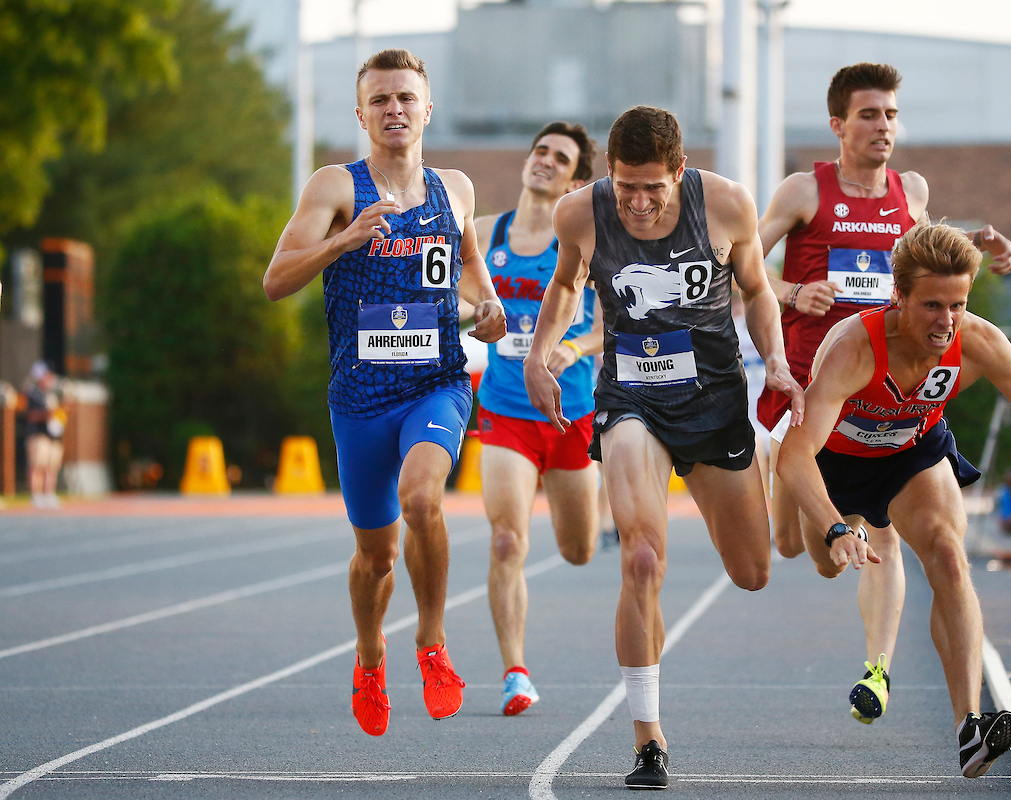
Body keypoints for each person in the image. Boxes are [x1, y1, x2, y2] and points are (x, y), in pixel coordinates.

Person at [524, 105, 803, 789]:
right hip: (631, 399)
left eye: (654, 187)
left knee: (752, 572)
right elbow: (564, 285)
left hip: (713, 405)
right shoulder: (580, 214)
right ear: (610, 176)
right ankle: (649, 739)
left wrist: (776, 361)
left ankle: (765, 462)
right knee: (643, 557)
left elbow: (759, 293)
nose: (641, 204)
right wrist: (540, 353)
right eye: (627, 188)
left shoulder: (729, 205)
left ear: (681, 171)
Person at [775, 222, 1011, 778]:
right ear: (899, 297)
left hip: (913, 452)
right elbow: (796, 456)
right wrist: (836, 528)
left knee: (948, 555)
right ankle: (854, 531)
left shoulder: (977, 342)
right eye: (932, 305)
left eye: (958, 304)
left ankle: (969, 728)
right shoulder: (853, 349)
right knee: (818, 561)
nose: (946, 321)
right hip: (834, 462)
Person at [756, 63, 1011, 725]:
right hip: (812, 395)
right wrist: (790, 292)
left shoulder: (912, 191)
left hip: (885, 404)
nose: (884, 127)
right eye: (870, 115)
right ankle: (789, 492)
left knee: (888, 531)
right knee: (795, 548)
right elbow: (739, 268)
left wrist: (978, 243)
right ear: (839, 124)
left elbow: (933, 253)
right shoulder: (802, 191)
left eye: (892, 114)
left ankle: (878, 671)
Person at [262, 48, 505, 735]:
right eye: (381, 101)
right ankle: (371, 654)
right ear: (362, 114)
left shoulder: (454, 188)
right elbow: (276, 280)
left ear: (427, 109)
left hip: (437, 384)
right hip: (361, 398)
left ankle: (432, 643)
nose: (394, 110)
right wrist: (344, 242)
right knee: (377, 556)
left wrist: (488, 311)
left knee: (423, 497)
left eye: (406, 98)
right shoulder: (336, 188)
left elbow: (476, 288)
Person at [473, 121, 603, 717]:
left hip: (572, 414)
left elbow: (618, 322)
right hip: (505, 410)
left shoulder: (588, 244)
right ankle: (515, 673)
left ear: (576, 179)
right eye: (540, 151)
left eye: (560, 158)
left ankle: (585, 521)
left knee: (578, 550)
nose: (544, 162)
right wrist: (470, 319)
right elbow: (449, 299)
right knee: (506, 540)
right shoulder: (483, 234)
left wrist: (573, 347)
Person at [22, 361, 66, 509]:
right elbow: (28, 415)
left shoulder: (54, 394)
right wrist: (48, 414)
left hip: (53, 435)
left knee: (51, 467)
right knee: (37, 466)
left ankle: (49, 494)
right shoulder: (33, 393)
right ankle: (36, 494)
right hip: (38, 435)